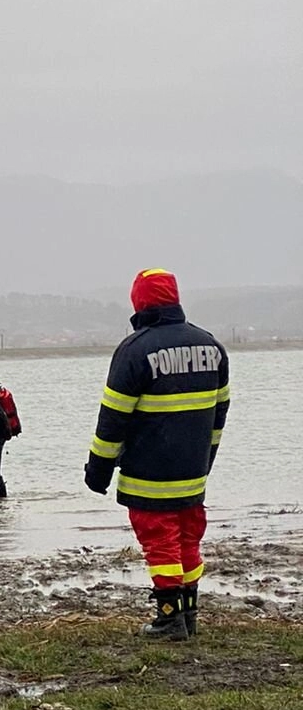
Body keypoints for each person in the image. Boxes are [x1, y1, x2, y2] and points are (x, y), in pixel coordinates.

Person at [83, 268, 228, 641]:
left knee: (160, 543)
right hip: (194, 474)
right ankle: (189, 614)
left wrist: (98, 472)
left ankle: (168, 619)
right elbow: (218, 415)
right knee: (189, 539)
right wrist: (205, 463)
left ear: (139, 302)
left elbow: (112, 421)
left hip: (149, 475)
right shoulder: (212, 347)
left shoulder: (134, 351)